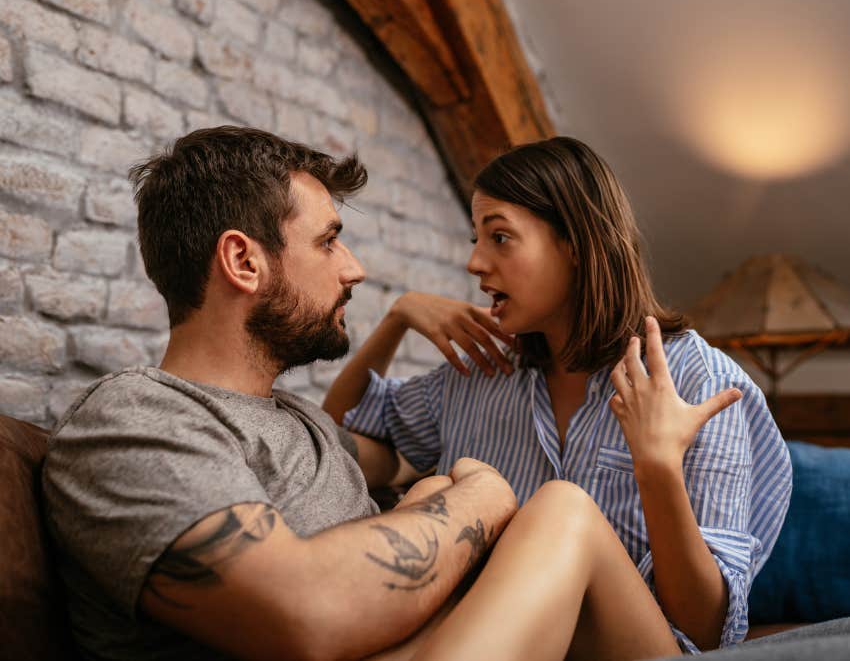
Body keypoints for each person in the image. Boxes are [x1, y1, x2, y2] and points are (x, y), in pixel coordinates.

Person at [41, 126, 688, 661]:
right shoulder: (135, 418)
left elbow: (390, 468)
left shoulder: (305, 425)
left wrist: (437, 494)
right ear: (244, 263)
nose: (354, 267)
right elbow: (303, 615)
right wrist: (483, 496)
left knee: (494, 500)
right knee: (560, 512)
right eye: (328, 241)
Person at [324, 136, 793, 655]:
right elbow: (335, 444)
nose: (475, 263)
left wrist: (657, 467)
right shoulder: (483, 372)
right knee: (436, 490)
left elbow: (705, 629)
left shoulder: (695, 379)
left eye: (500, 237)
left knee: (562, 508)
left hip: (636, 648)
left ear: (575, 244)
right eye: (476, 239)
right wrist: (398, 317)